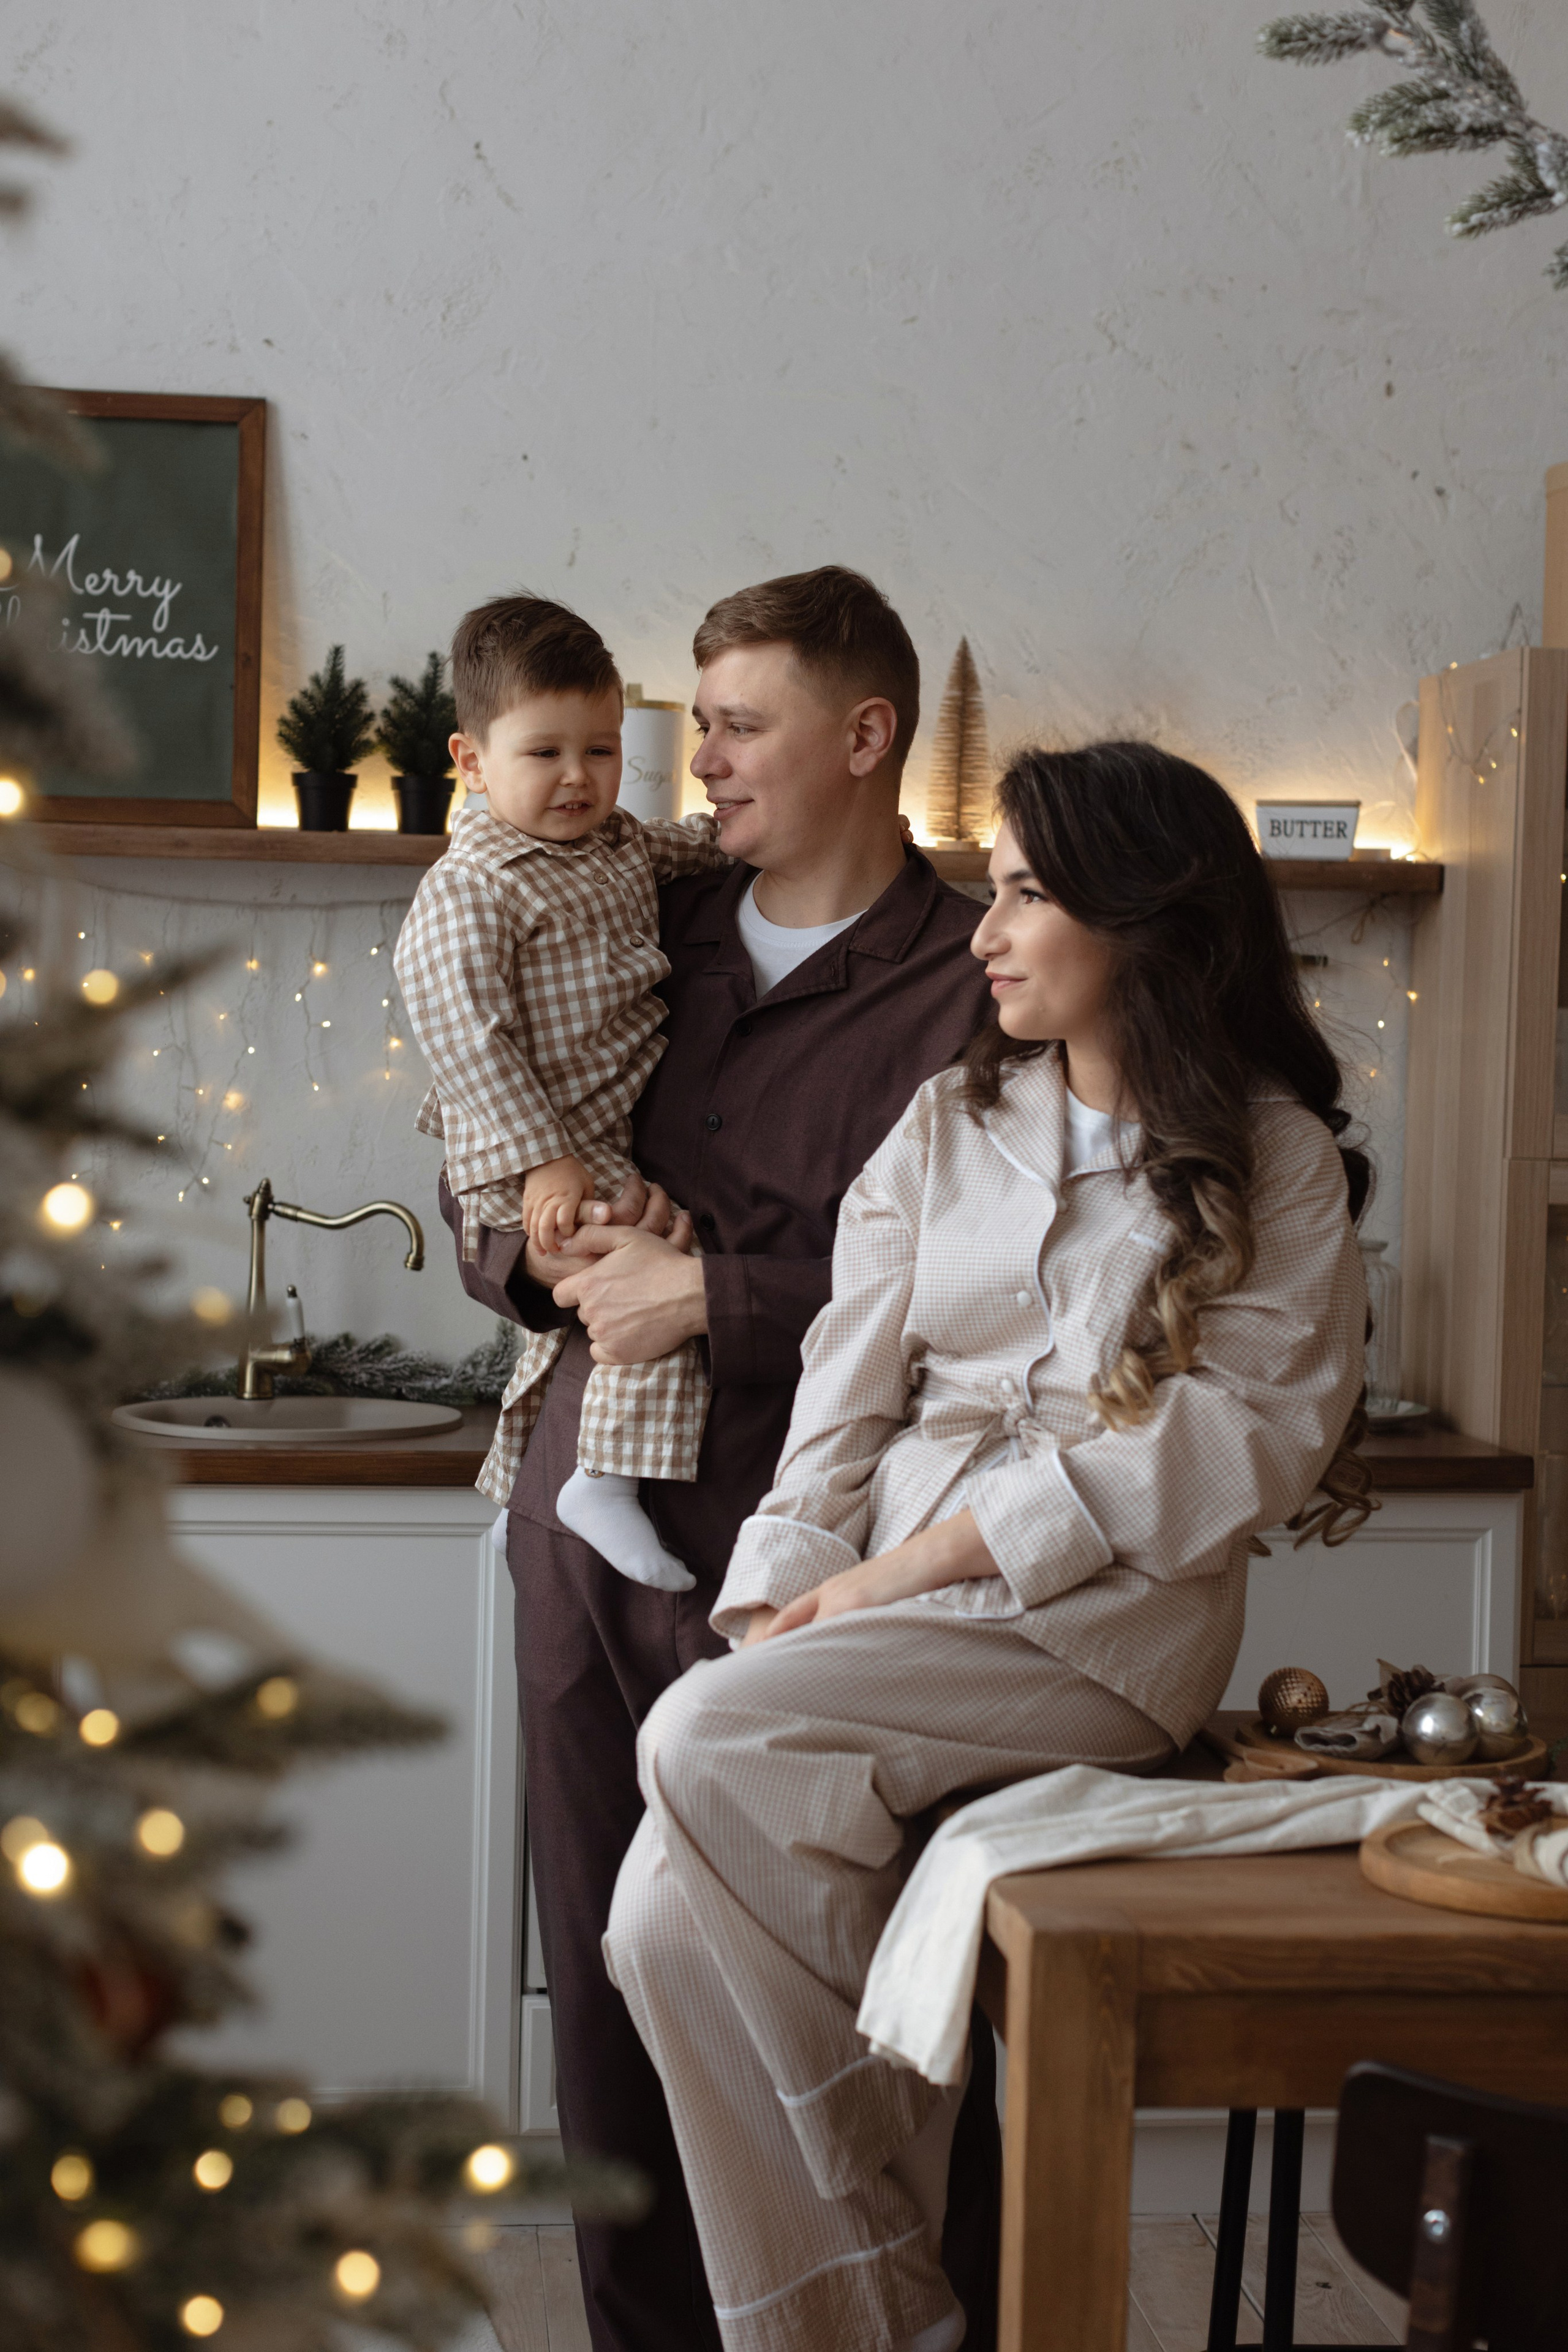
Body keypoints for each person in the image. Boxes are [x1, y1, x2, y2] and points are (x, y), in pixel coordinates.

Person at [603, 741, 1373, 2352]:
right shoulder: (952, 1121)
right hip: (883, 1608)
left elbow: (1241, 1440)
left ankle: (885, 2308)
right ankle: (861, 2323)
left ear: (1141, 920)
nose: (983, 931)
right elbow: (842, 1388)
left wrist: (911, 1568)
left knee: (697, 1737)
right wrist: (776, 1600)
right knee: (655, 1923)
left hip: (1099, 1628)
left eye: (1025, 893)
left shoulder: (1279, 1156)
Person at [444, 568, 998, 2352]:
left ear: (866, 735)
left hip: (831, 1572)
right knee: (612, 2021)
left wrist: (722, 1297)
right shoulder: (631, 912)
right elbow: (489, 1155)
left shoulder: (977, 985)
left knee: (862, 2013)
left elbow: (1000, 1304)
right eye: (696, 729)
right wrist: (541, 1245)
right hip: (590, 1542)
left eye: (743, 726)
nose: (703, 768)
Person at [396, 595, 732, 1593]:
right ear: (471, 761)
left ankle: (528, 1499)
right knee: (659, 1281)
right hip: (537, 1145)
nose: (579, 778)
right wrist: (543, 1158)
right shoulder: (476, 886)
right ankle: (603, 1483)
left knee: (592, 1320)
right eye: (544, 754)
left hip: (601, 1128)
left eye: (602, 749)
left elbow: (687, 847)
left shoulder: (615, 842)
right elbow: (465, 1034)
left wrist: (742, 835)